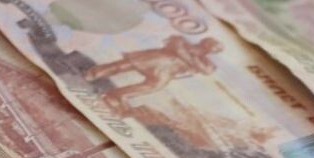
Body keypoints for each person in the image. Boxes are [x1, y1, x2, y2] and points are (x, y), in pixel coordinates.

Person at [83, 36, 223, 109]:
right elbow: (178, 48)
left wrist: (192, 59)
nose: (209, 49)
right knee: (122, 66)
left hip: (167, 72)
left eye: (214, 49)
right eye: (210, 45)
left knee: (154, 86)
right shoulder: (181, 40)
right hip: (153, 58)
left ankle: (117, 95)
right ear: (204, 42)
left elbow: (207, 71)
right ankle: (93, 73)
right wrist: (193, 60)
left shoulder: (207, 62)